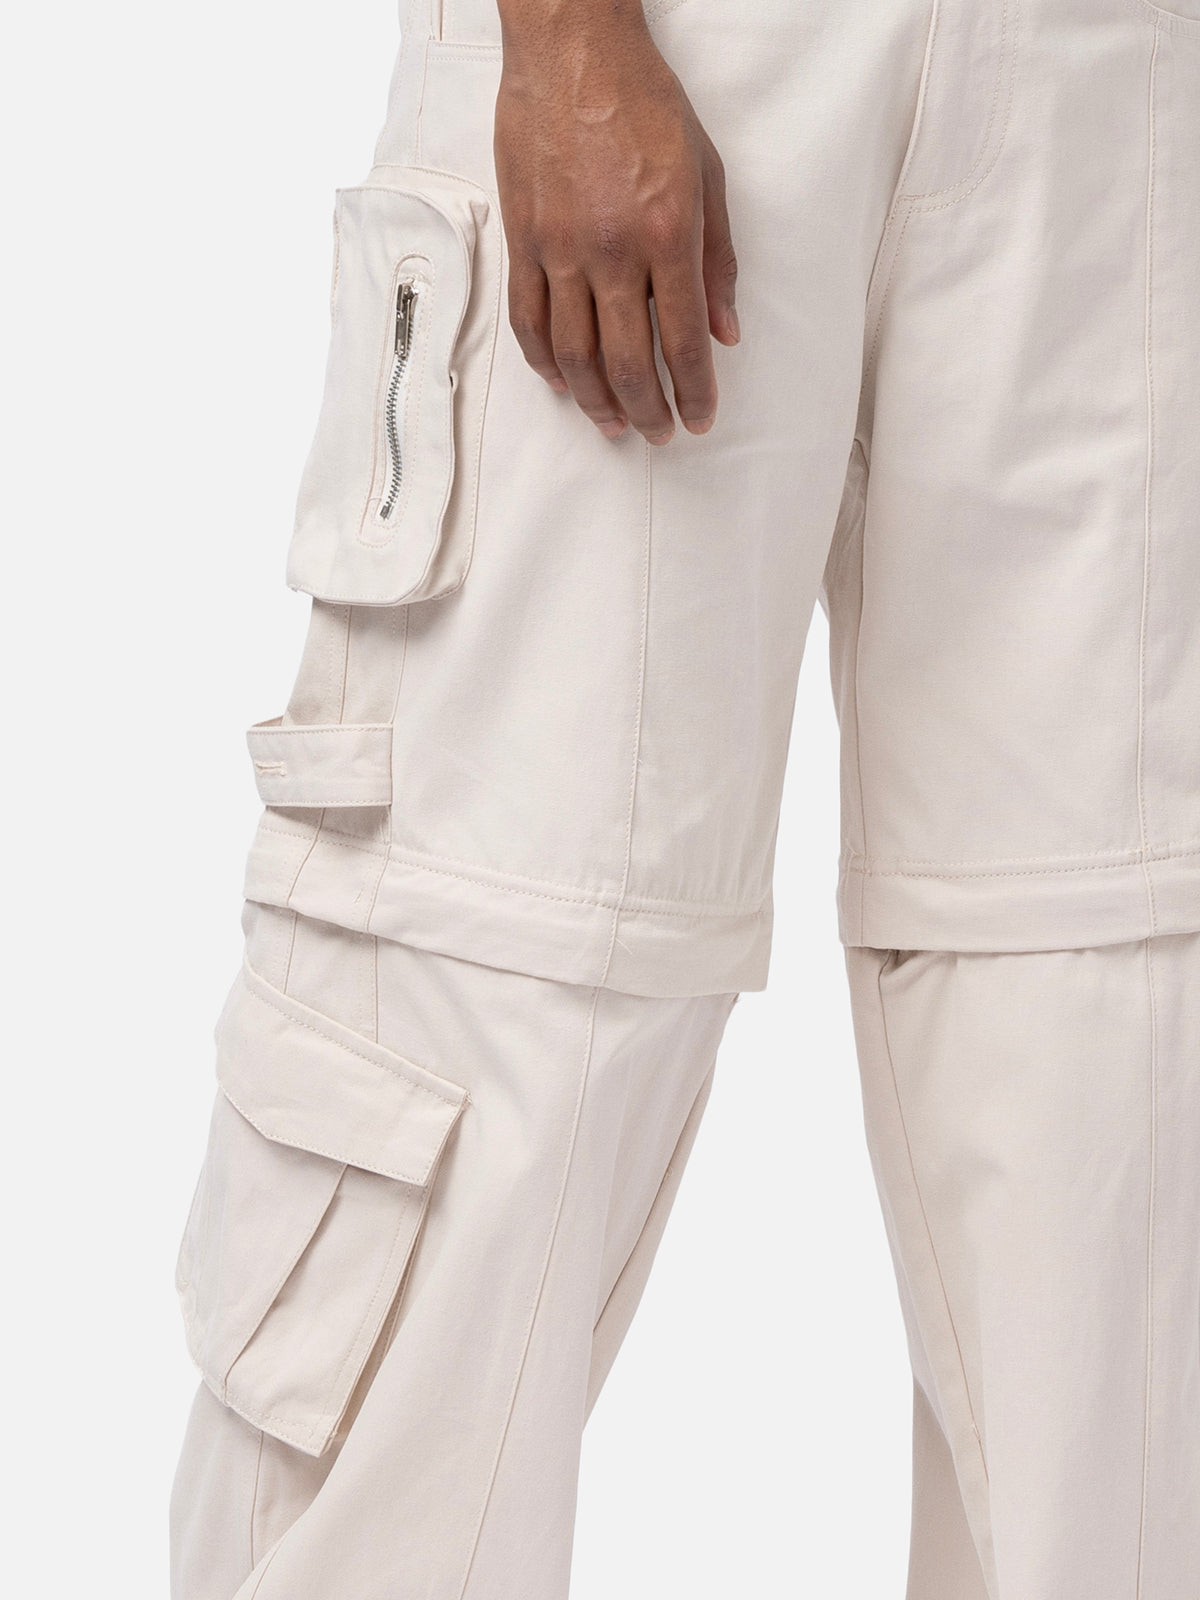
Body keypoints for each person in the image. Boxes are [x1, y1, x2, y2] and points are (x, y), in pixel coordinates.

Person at [168, 0, 1200, 1594]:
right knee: (484, 992)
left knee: (1110, 1050)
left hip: (1124, 85)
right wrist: (566, 36)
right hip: (678, 48)